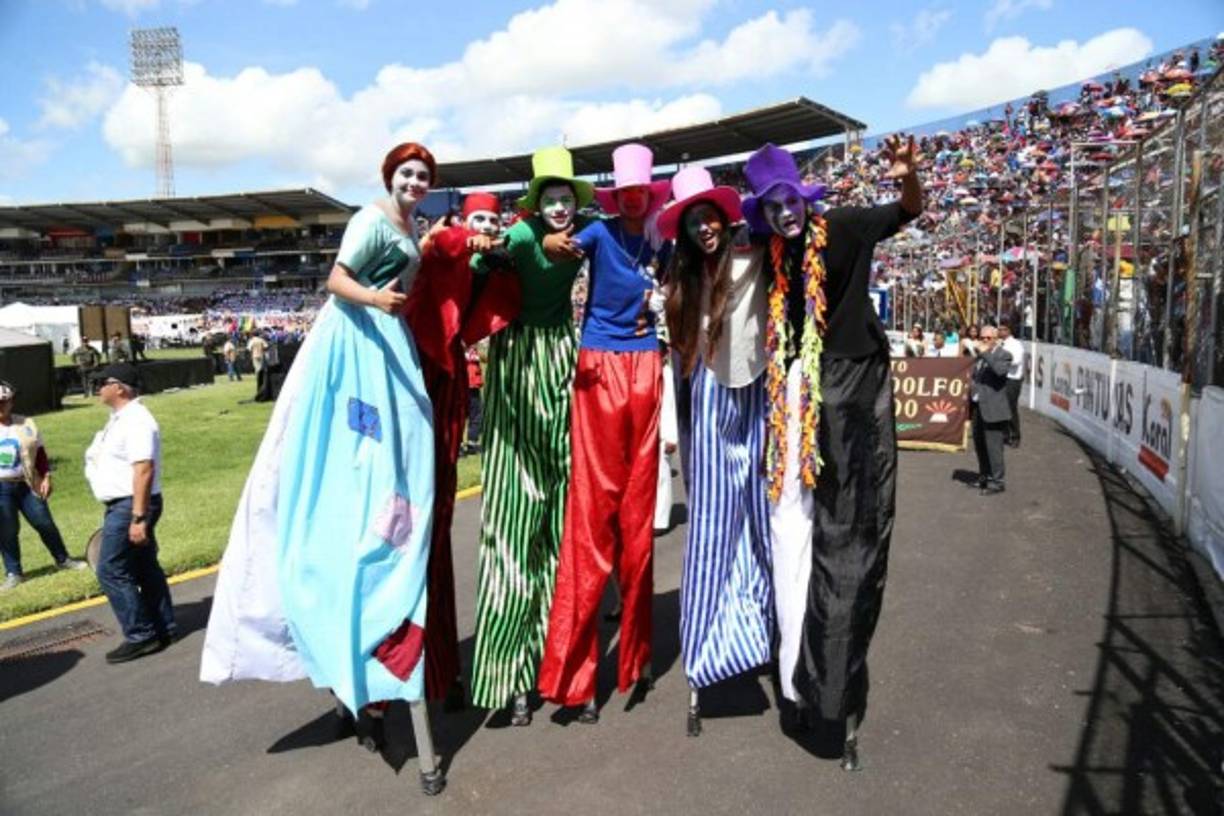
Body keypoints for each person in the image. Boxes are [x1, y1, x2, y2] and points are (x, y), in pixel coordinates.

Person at [201, 143, 437, 728]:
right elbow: (337, 279)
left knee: (403, 449)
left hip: (385, 342)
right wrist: (379, 298)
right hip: (356, 340)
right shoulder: (370, 217)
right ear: (390, 176)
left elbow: (399, 280)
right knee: (362, 456)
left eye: (423, 176)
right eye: (407, 173)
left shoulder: (410, 225)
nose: (414, 182)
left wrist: (420, 256)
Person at [742, 137, 922, 769]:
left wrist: (909, 176)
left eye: (788, 200)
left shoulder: (842, 226)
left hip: (852, 390)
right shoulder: (770, 253)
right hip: (793, 395)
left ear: (803, 197)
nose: (784, 214)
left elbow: (906, 212)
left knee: (850, 537)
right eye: (771, 207)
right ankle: (794, 675)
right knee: (789, 532)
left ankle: (833, 691)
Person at [536, 143, 671, 723]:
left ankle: (633, 663)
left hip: (647, 369)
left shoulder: (661, 240)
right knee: (592, 519)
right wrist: (545, 241)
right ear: (620, 197)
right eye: (629, 193)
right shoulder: (598, 232)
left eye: (644, 192)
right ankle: (576, 676)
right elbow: (556, 247)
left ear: (650, 195)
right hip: (599, 366)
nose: (637, 200)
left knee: (638, 523)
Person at [468, 146, 593, 726]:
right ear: (538, 205)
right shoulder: (520, 236)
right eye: (552, 199)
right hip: (517, 362)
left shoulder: (587, 234)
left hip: (563, 361)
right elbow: (483, 261)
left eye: (567, 198)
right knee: (516, 518)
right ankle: (510, 674)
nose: (561, 207)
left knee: (565, 517)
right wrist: (502, 249)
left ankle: (561, 663)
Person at [658, 167, 774, 737]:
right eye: (692, 220)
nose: (703, 227)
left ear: (725, 217)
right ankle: (707, 651)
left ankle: (763, 632)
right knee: (710, 524)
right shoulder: (683, 274)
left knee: (762, 518)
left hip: (757, 393)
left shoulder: (756, 253)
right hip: (707, 396)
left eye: (709, 216)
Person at [403, 190, 520, 709]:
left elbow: (496, 307)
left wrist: (498, 263)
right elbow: (442, 245)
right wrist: (468, 237)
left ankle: (440, 665)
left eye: (493, 221)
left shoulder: (487, 264)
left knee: (437, 529)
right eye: (477, 219)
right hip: (408, 384)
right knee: (400, 527)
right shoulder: (443, 245)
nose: (484, 228)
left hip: (448, 390)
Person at [83, 363, 177, 663]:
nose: (97, 388)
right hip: (127, 503)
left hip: (131, 504)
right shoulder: (120, 418)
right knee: (143, 565)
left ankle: (141, 634)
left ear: (120, 388)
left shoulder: (136, 420)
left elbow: (143, 468)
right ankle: (163, 626)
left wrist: (138, 518)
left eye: (102, 382)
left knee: (110, 570)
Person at [0, 380, 87, 590]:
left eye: (5, 401)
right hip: (1, 488)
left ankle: (63, 559)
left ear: (12, 401)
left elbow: (39, 454)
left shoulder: (26, 423)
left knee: (44, 522)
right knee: (7, 530)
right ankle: (14, 572)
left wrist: (46, 476)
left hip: (27, 483)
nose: (1, 406)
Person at [971, 325, 1014, 494]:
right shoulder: (981, 356)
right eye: (982, 337)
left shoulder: (1004, 355)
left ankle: (997, 481)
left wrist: (985, 353)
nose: (984, 341)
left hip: (994, 409)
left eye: (988, 338)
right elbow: (976, 377)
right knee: (980, 445)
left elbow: (999, 372)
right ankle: (984, 476)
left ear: (996, 338)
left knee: (994, 448)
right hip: (979, 407)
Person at [998, 322, 1025, 446]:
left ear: (1009, 331)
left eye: (1003, 329)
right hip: (1001, 377)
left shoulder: (1015, 344)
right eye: (999, 329)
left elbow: (1016, 361)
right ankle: (1005, 434)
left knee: (1010, 407)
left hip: (1012, 378)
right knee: (1001, 407)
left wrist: (1001, 359)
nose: (1000, 332)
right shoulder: (999, 344)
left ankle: (1015, 435)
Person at [462, 345, 483, 456]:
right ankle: (469, 444)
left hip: (471, 382)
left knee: (475, 414)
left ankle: (471, 443)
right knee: (474, 414)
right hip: (468, 382)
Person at [247, 331, 268, 397]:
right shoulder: (261, 340)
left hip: (254, 355)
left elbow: (249, 348)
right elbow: (266, 346)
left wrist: (252, 351)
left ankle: (258, 379)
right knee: (261, 367)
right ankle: (261, 378)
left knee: (257, 368)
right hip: (261, 355)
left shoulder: (252, 340)